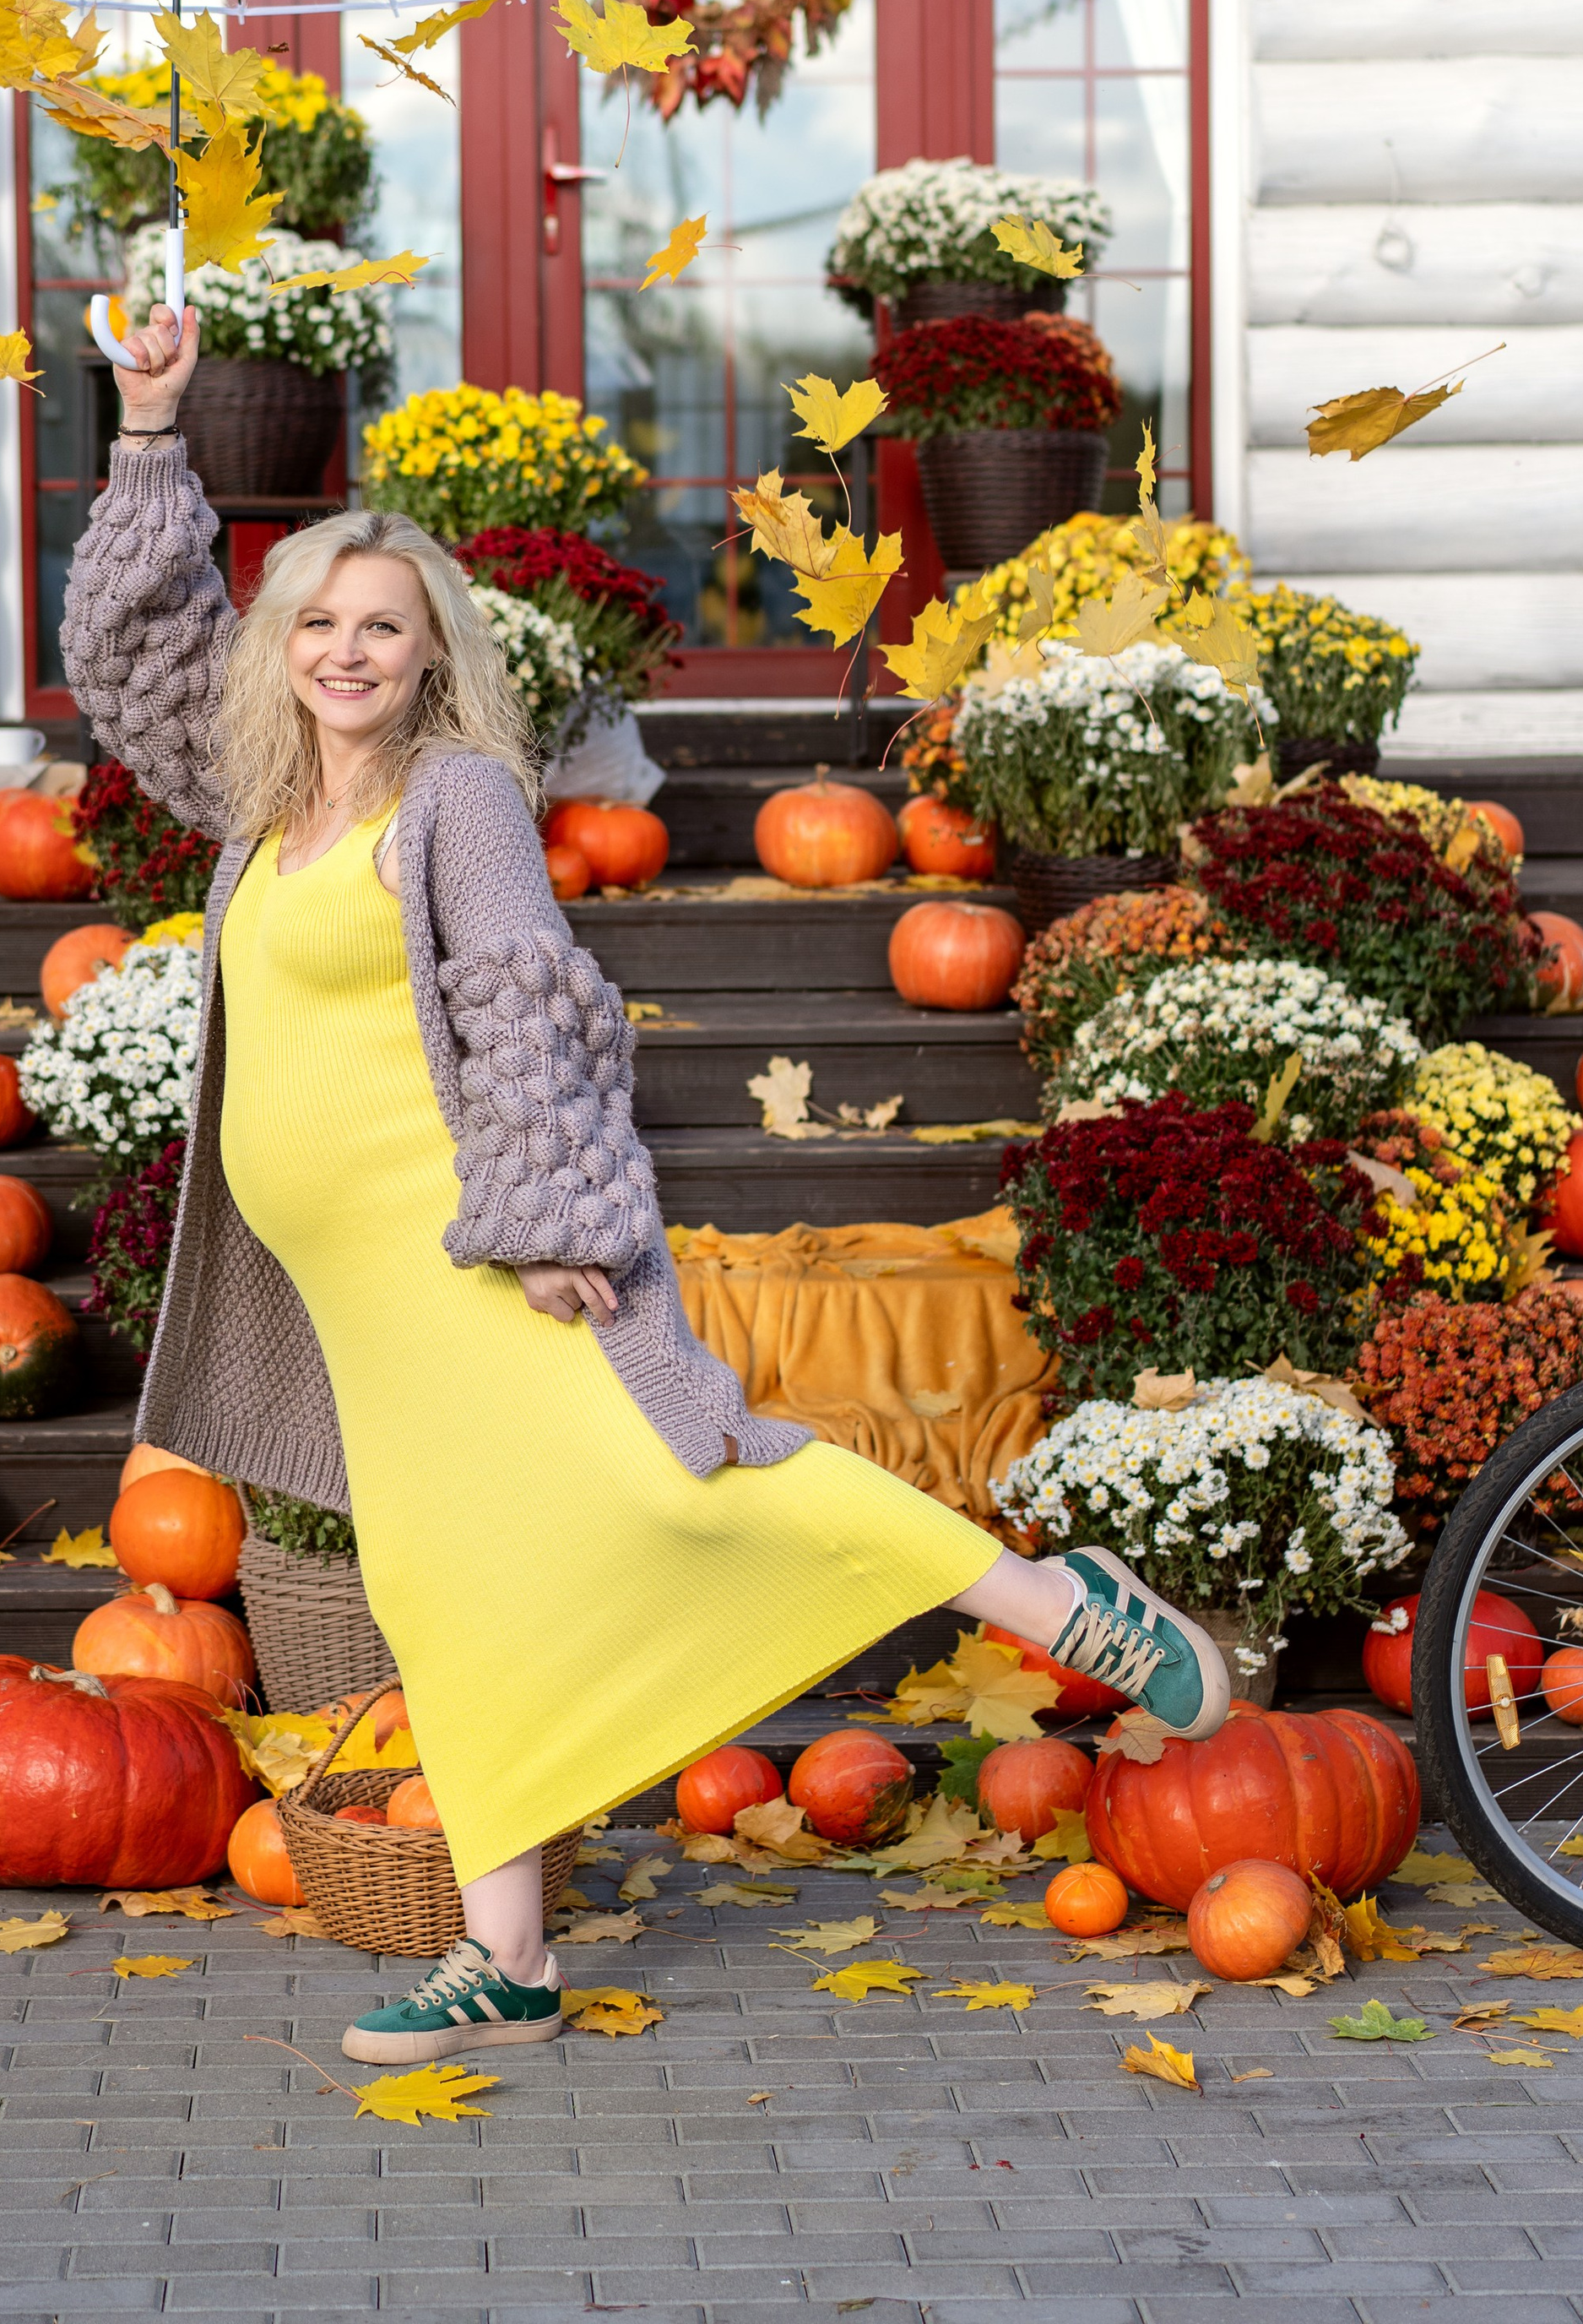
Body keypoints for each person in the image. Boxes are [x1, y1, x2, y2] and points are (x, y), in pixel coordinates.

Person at [62, 302, 1228, 2066]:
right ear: (278, 646)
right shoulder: (258, 804)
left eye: (383, 624)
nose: (347, 649)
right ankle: (508, 1961)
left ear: (431, 651)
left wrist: (547, 1230)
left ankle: (1055, 1606)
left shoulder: (452, 798)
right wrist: (151, 428)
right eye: (318, 621)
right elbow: (124, 649)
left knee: (703, 1477)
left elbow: (528, 995)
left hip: (467, 1260)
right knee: (455, 1601)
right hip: (355, 1303)